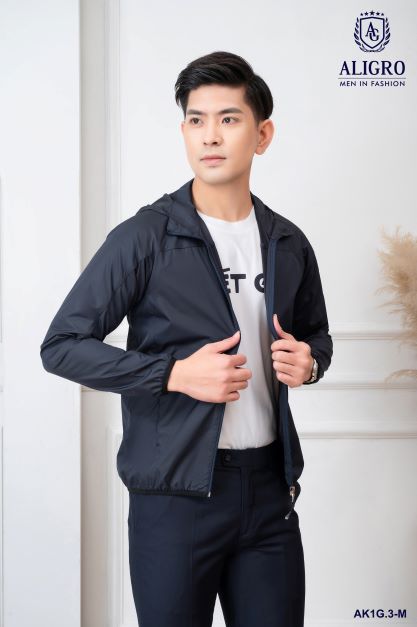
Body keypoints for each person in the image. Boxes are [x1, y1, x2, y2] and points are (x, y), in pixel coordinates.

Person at [40, 50, 333, 627]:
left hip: (270, 495)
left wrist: (311, 363)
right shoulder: (144, 237)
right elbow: (62, 345)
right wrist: (172, 374)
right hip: (174, 500)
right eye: (196, 120)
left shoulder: (288, 242)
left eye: (229, 119)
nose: (210, 136)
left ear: (262, 134)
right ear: (184, 132)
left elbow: (316, 335)